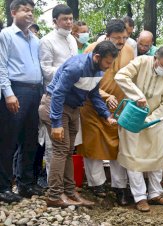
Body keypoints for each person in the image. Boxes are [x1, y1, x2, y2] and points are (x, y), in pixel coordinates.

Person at [39, 41, 118, 208]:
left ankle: (69, 192)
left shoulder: (98, 70)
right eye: (107, 63)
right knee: (61, 150)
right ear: (97, 57)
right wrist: (56, 122)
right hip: (55, 106)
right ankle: (54, 195)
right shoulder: (77, 67)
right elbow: (58, 93)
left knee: (68, 150)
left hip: (74, 109)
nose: (109, 67)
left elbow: (94, 95)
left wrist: (106, 116)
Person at [76, 19, 134, 206]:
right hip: (92, 106)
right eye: (117, 38)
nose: (121, 42)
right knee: (92, 146)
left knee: (119, 148)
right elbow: (84, 80)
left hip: (119, 108)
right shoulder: (92, 49)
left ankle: (120, 187)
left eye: (124, 37)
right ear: (108, 36)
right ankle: (97, 185)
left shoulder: (129, 50)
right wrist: (103, 94)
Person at [114, 46, 163, 212]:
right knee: (133, 159)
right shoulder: (141, 61)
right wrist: (137, 96)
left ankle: (155, 194)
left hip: (155, 119)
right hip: (133, 117)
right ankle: (140, 197)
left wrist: (150, 119)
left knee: (157, 158)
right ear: (155, 57)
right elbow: (120, 76)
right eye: (162, 66)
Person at [0, 0, 44, 203]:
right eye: (25, 10)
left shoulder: (35, 39)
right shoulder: (6, 36)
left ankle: (25, 184)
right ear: (13, 12)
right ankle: (3, 187)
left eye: (32, 11)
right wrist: (8, 93)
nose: (30, 14)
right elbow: (1, 66)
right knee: (8, 141)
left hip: (36, 91)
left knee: (30, 140)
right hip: (16, 91)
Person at [39, 4, 77, 183]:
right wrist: (68, 71)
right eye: (65, 19)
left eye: (71, 18)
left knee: (68, 147)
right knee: (54, 145)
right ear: (55, 21)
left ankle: (67, 186)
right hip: (54, 97)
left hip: (72, 98)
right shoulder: (47, 40)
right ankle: (52, 185)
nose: (69, 22)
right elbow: (46, 70)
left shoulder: (72, 39)